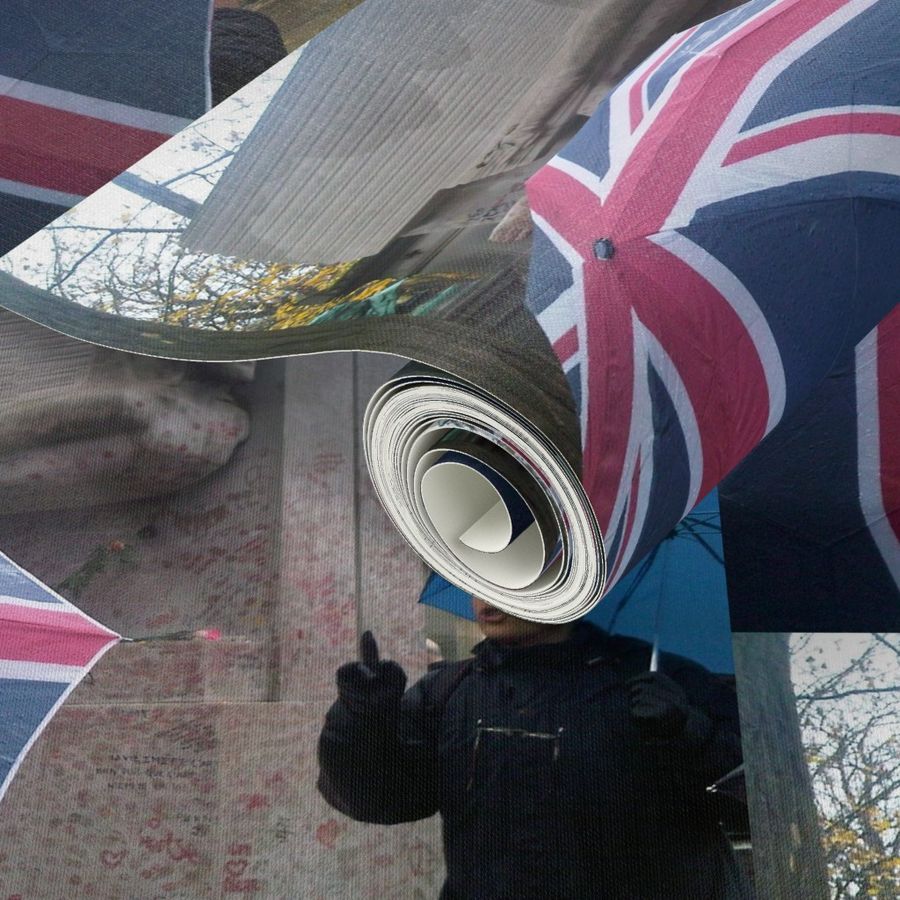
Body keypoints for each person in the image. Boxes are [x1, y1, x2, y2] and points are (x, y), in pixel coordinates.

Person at [317, 597, 750, 899]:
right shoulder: (448, 691)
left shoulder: (664, 680)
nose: (485, 593)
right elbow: (382, 801)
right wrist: (363, 719)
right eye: (476, 574)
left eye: (508, 572)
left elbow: (757, 802)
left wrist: (689, 732)